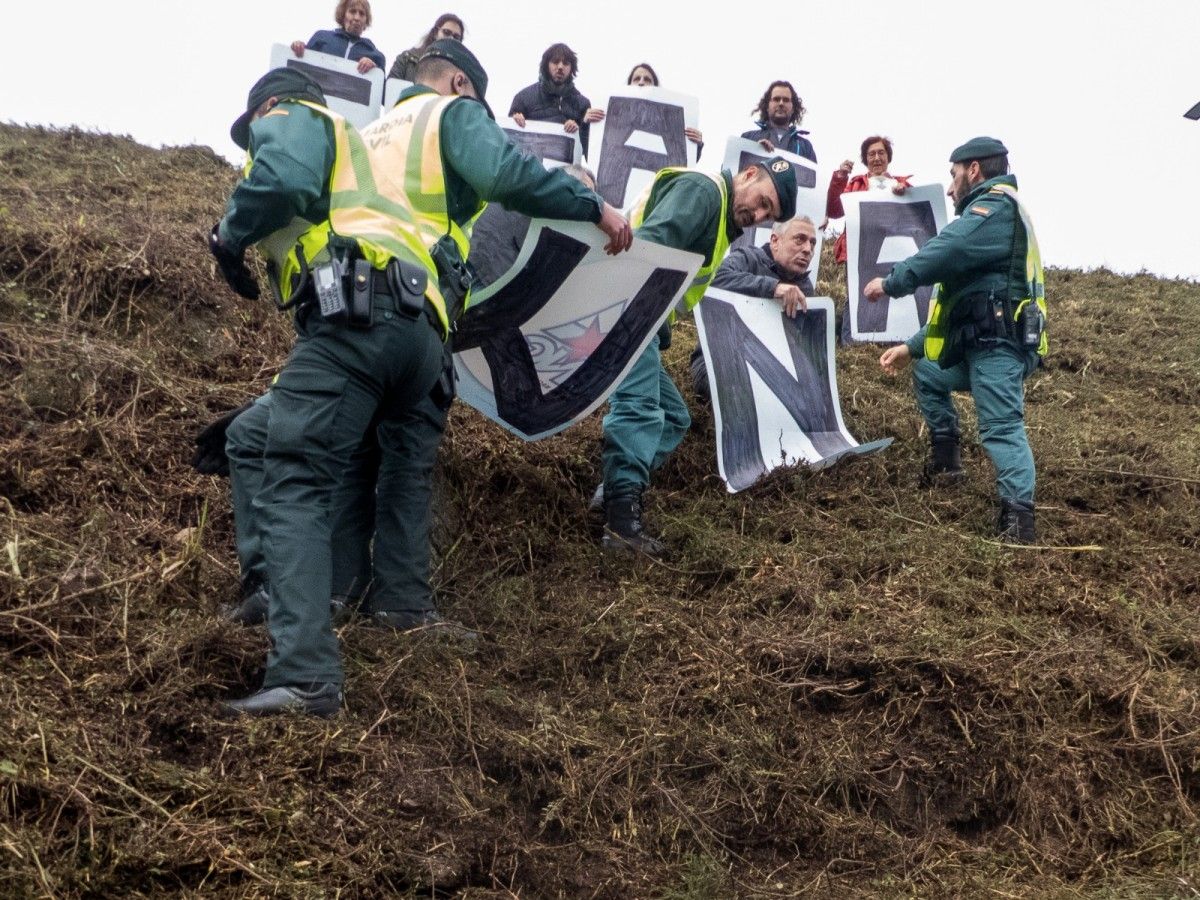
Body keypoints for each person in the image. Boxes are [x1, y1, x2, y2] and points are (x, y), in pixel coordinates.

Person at [214, 44, 632, 718]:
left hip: (356, 311)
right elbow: (503, 173)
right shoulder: (447, 114)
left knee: (331, 459)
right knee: (400, 467)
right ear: (460, 83)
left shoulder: (360, 137)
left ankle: (326, 608)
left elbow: (304, 207)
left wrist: (232, 239)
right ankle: (399, 605)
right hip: (419, 322)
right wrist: (591, 207)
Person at [598, 159, 798, 557]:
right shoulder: (705, 193)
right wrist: (645, 324)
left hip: (640, 316)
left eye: (767, 215)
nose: (757, 215)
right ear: (749, 174)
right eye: (762, 201)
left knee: (674, 416)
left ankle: (611, 492)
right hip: (628, 309)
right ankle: (622, 527)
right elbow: (649, 251)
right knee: (639, 409)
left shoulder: (721, 216)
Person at [866, 137, 1047, 544]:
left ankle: (1019, 522)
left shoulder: (993, 209)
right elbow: (956, 310)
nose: (950, 188)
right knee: (929, 372)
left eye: (953, 175)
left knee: (1001, 428)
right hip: (977, 344)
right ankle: (946, 461)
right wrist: (911, 347)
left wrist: (892, 282)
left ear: (974, 170)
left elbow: (946, 248)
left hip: (998, 347)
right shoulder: (993, 216)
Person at [688, 216, 818, 400]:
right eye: (800, 239)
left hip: (772, 372)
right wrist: (772, 288)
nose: (807, 249)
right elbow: (715, 279)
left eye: (812, 243)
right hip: (718, 361)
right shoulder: (747, 258)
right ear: (775, 241)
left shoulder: (804, 289)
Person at [826, 135, 912, 264]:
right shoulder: (856, 185)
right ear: (866, 159)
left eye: (881, 153)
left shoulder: (902, 185)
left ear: (888, 157)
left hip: (896, 253)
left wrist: (906, 195)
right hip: (860, 253)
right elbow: (834, 210)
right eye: (871, 154)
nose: (877, 158)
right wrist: (841, 177)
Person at [508, 43, 604, 156]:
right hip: (531, 169)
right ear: (546, 65)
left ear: (572, 68)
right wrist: (514, 122)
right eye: (555, 62)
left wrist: (583, 126)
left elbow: (587, 153)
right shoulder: (523, 97)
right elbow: (508, 142)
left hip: (566, 172)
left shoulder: (582, 103)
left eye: (566, 63)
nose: (560, 67)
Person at [290, 0, 385, 74]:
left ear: (366, 20)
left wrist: (374, 68)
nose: (357, 18)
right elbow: (301, 66)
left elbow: (380, 87)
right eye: (352, 12)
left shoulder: (375, 55)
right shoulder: (322, 37)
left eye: (362, 14)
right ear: (343, 15)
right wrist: (298, 47)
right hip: (316, 97)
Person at [626, 63, 703, 151]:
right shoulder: (611, 115)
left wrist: (696, 146)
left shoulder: (669, 120)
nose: (641, 82)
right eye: (637, 79)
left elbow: (680, 158)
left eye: (647, 79)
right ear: (629, 84)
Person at [741, 81, 816, 163]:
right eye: (776, 99)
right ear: (767, 106)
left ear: (793, 108)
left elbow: (812, 175)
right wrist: (755, 149)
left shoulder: (805, 146)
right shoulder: (748, 138)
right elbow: (728, 173)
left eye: (786, 100)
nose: (781, 103)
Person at [387, 13, 464, 82]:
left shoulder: (461, 74)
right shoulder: (407, 59)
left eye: (456, 37)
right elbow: (391, 89)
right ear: (435, 33)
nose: (450, 38)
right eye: (446, 32)